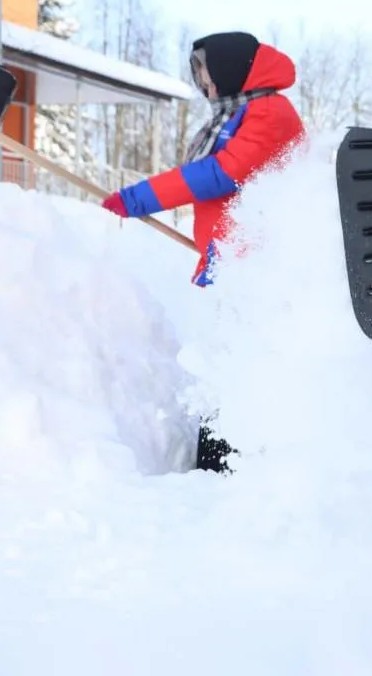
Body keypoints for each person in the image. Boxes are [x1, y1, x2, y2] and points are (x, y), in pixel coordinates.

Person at [101, 31, 305, 474]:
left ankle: (233, 469)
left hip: (258, 273)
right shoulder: (242, 111)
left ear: (233, 71)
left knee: (241, 371)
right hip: (232, 262)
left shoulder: (271, 112)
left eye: (209, 76)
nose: (207, 88)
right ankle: (213, 467)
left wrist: (141, 197)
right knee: (221, 367)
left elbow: (221, 175)